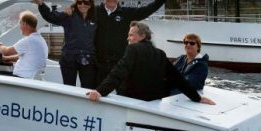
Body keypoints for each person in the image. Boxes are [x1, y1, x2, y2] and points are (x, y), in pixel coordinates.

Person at [86, 21, 215, 105]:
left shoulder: (132, 49)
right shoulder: (160, 53)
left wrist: (100, 91)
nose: (128, 38)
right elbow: (177, 78)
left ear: (142, 36)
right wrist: (197, 98)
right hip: (154, 103)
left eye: (131, 35)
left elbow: (119, 71)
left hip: (132, 103)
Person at [94, 0, 174, 83]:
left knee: (123, 94)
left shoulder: (126, 13)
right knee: (96, 93)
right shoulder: (94, 11)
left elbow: (147, 10)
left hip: (120, 61)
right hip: (99, 63)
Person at [32, 0, 97, 88]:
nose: (82, 5)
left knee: (88, 88)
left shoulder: (96, 18)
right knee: (69, 88)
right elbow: (51, 16)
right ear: (76, 4)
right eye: (79, 2)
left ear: (91, 5)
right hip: (69, 58)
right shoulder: (69, 15)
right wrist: (41, 4)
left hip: (88, 58)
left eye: (86, 2)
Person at [0, 11, 49, 79]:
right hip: (27, 78)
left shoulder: (29, 40)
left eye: (20, 24)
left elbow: (6, 52)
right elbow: (25, 57)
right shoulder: (41, 40)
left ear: (24, 24)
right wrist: (6, 59)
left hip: (21, 78)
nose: (19, 27)